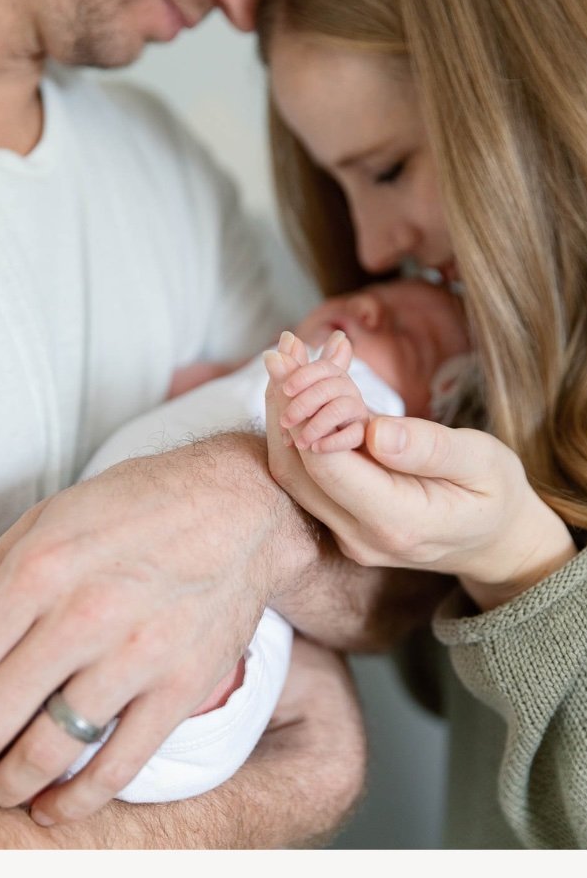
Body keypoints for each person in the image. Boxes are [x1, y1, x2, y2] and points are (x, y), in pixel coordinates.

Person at [0, 0, 379, 847]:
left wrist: (245, 502)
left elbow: (384, 590)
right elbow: (312, 755)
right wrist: (302, 773)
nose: (246, 5)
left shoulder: (169, 164)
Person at [252, 0, 587, 847]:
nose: (374, 247)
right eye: (340, 186)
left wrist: (518, 563)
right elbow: (464, 705)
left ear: (533, 96)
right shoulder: (507, 360)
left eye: (387, 168)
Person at [65, 278, 472, 804]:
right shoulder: (255, 367)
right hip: (97, 562)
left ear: (434, 411)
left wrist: (346, 421)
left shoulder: (377, 409)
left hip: (206, 639)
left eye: (405, 337)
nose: (368, 308)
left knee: (223, 637)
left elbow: (357, 465)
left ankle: (204, 691)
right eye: (365, 298)